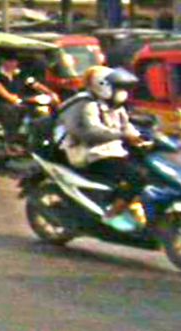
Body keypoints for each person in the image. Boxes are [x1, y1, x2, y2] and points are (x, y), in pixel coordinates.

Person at [57, 65, 146, 231]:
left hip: (114, 152)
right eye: (117, 87)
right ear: (103, 86)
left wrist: (139, 137)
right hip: (93, 154)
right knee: (136, 177)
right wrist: (122, 136)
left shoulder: (116, 106)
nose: (122, 92)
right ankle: (112, 214)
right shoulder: (89, 105)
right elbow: (94, 131)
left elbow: (127, 126)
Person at [0, 52, 59, 154]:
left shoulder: (20, 74)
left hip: (20, 101)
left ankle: (35, 140)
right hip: (2, 103)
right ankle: (10, 141)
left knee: (39, 111)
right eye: (10, 61)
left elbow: (35, 84)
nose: (13, 64)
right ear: (4, 62)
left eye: (15, 62)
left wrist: (51, 93)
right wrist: (19, 99)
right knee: (12, 111)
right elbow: (3, 92)